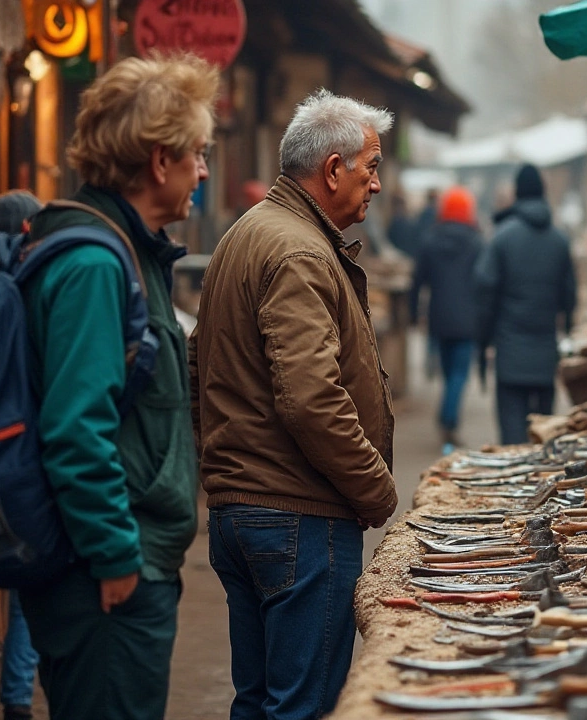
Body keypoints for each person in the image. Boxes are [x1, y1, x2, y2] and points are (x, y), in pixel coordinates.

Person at [15, 54, 217, 720]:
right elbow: (75, 427)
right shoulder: (95, 263)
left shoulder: (124, 249)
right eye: (197, 154)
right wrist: (114, 557)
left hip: (121, 563)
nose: (205, 171)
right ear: (160, 160)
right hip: (104, 576)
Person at [190, 88, 399, 720]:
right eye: (370, 168)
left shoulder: (247, 234)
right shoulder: (300, 250)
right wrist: (376, 489)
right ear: (333, 170)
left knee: (259, 702)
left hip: (246, 511)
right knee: (301, 707)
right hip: (297, 516)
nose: (378, 185)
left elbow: (199, 365)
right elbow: (311, 399)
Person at [0, 191, 45, 720]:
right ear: (26, 228)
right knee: (31, 578)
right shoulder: (26, 281)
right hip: (23, 446)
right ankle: (19, 695)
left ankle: (14, 687)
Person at [475, 164, 577, 445]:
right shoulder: (560, 241)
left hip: (510, 355)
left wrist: (484, 343)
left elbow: (485, 293)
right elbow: (569, 297)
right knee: (543, 439)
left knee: (513, 442)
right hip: (545, 354)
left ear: (518, 193)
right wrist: (565, 332)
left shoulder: (502, 238)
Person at [409, 186, 484, 454]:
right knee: (459, 375)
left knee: (448, 371)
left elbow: (417, 281)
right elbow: (483, 283)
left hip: (439, 317)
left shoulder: (430, 240)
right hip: (467, 318)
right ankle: (448, 421)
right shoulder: (476, 242)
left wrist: (413, 312)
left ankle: (446, 419)